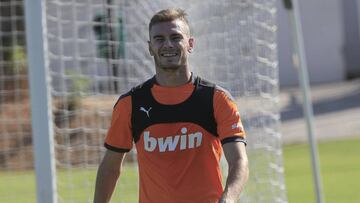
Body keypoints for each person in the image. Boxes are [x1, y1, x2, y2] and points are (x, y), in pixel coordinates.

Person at [94, 8, 249, 203]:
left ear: (190, 44)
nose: (168, 44)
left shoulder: (217, 99)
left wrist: (229, 197)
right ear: (150, 48)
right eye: (159, 39)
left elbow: (239, 161)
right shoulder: (130, 104)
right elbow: (110, 167)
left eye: (176, 37)